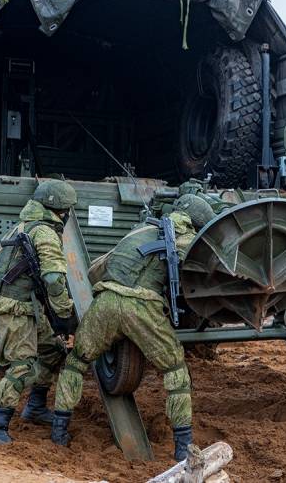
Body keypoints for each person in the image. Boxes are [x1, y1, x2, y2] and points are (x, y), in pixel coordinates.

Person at [50, 194, 215, 461]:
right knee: (175, 372)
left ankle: (58, 431)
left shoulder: (137, 231)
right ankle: (182, 446)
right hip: (142, 307)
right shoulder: (187, 240)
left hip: (106, 299)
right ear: (195, 223)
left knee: (76, 361)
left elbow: (97, 269)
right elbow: (210, 272)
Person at [0, 180, 80, 444]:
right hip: (14, 309)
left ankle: (35, 406)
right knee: (22, 366)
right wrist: (66, 315)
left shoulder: (25, 225)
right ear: (59, 208)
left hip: (26, 307)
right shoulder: (45, 232)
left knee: (52, 350)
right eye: (68, 208)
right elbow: (54, 279)